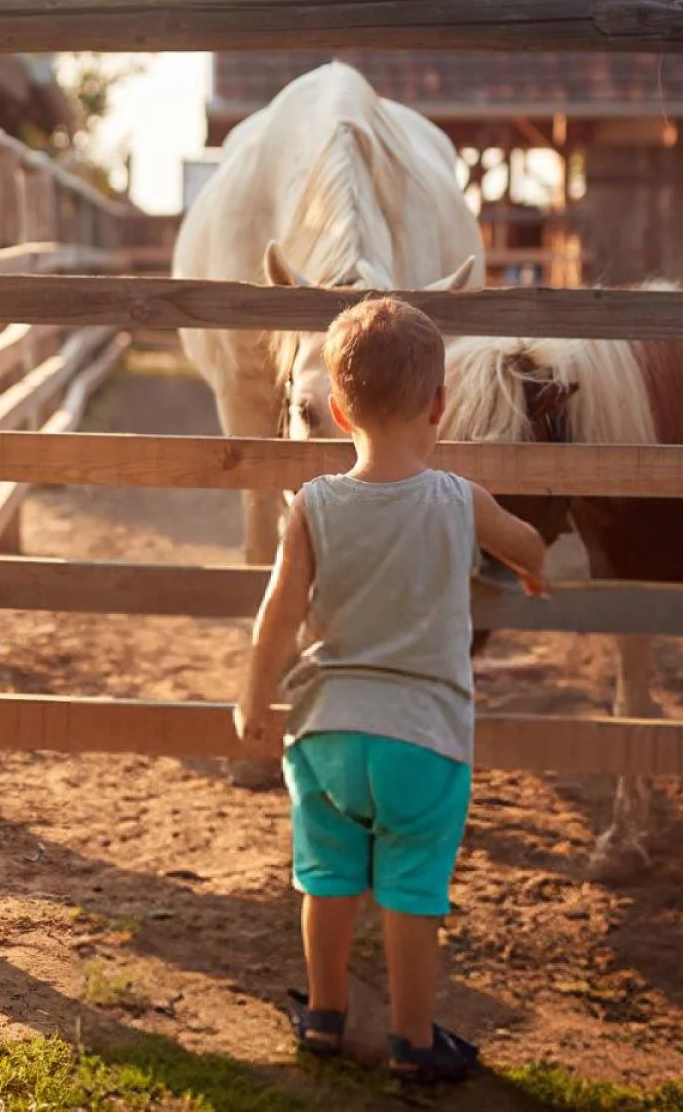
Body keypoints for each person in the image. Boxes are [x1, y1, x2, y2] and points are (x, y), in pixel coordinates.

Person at [232, 296, 549, 1084]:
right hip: (425, 737)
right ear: (440, 403)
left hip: (327, 734)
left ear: (337, 410)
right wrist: (531, 567)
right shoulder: (458, 499)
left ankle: (325, 1016)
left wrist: (252, 697)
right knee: (413, 889)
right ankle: (412, 1038)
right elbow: (525, 543)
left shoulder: (311, 504)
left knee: (327, 875)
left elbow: (278, 614)